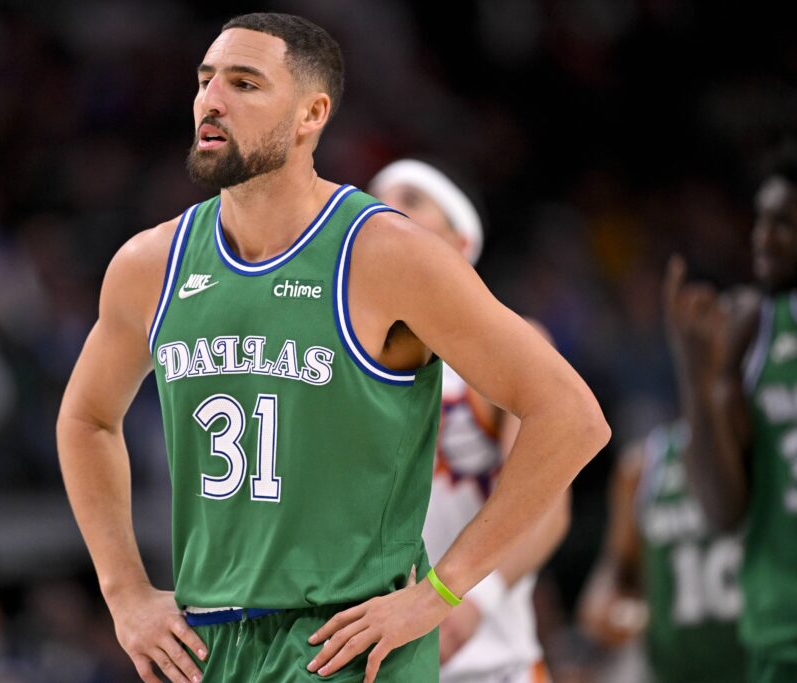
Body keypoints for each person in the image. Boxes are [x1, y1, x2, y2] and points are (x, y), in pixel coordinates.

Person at [55, 12, 609, 683]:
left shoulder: (389, 254)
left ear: (310, 114)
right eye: (205, 81)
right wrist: (126, 594)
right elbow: (86, 418)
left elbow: (572, 415)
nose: (211, 99)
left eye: (244, 83)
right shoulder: (151, 263)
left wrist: (444, 590)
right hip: (208, 646)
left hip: (348, 646)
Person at [369, 159, 569, 683]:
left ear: (461, 244)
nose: (384, 210)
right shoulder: (334, 359)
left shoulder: (508, 345)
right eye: (375, 198)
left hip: (488, 661)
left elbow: (548, 508)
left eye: (411, 199)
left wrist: (473, 600)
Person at [664, 148, 797, 683]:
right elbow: (722, 509)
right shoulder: (752, 324)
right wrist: (696, 378)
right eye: (759, 221)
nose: (762, 238)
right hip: (783, 636)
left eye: (783, 222)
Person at [578, 419, 745, 683]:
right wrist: (623, 614)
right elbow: (599, 601)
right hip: (675, 670)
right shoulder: (643, 466)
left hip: (761, 664)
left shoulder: (769, 456)